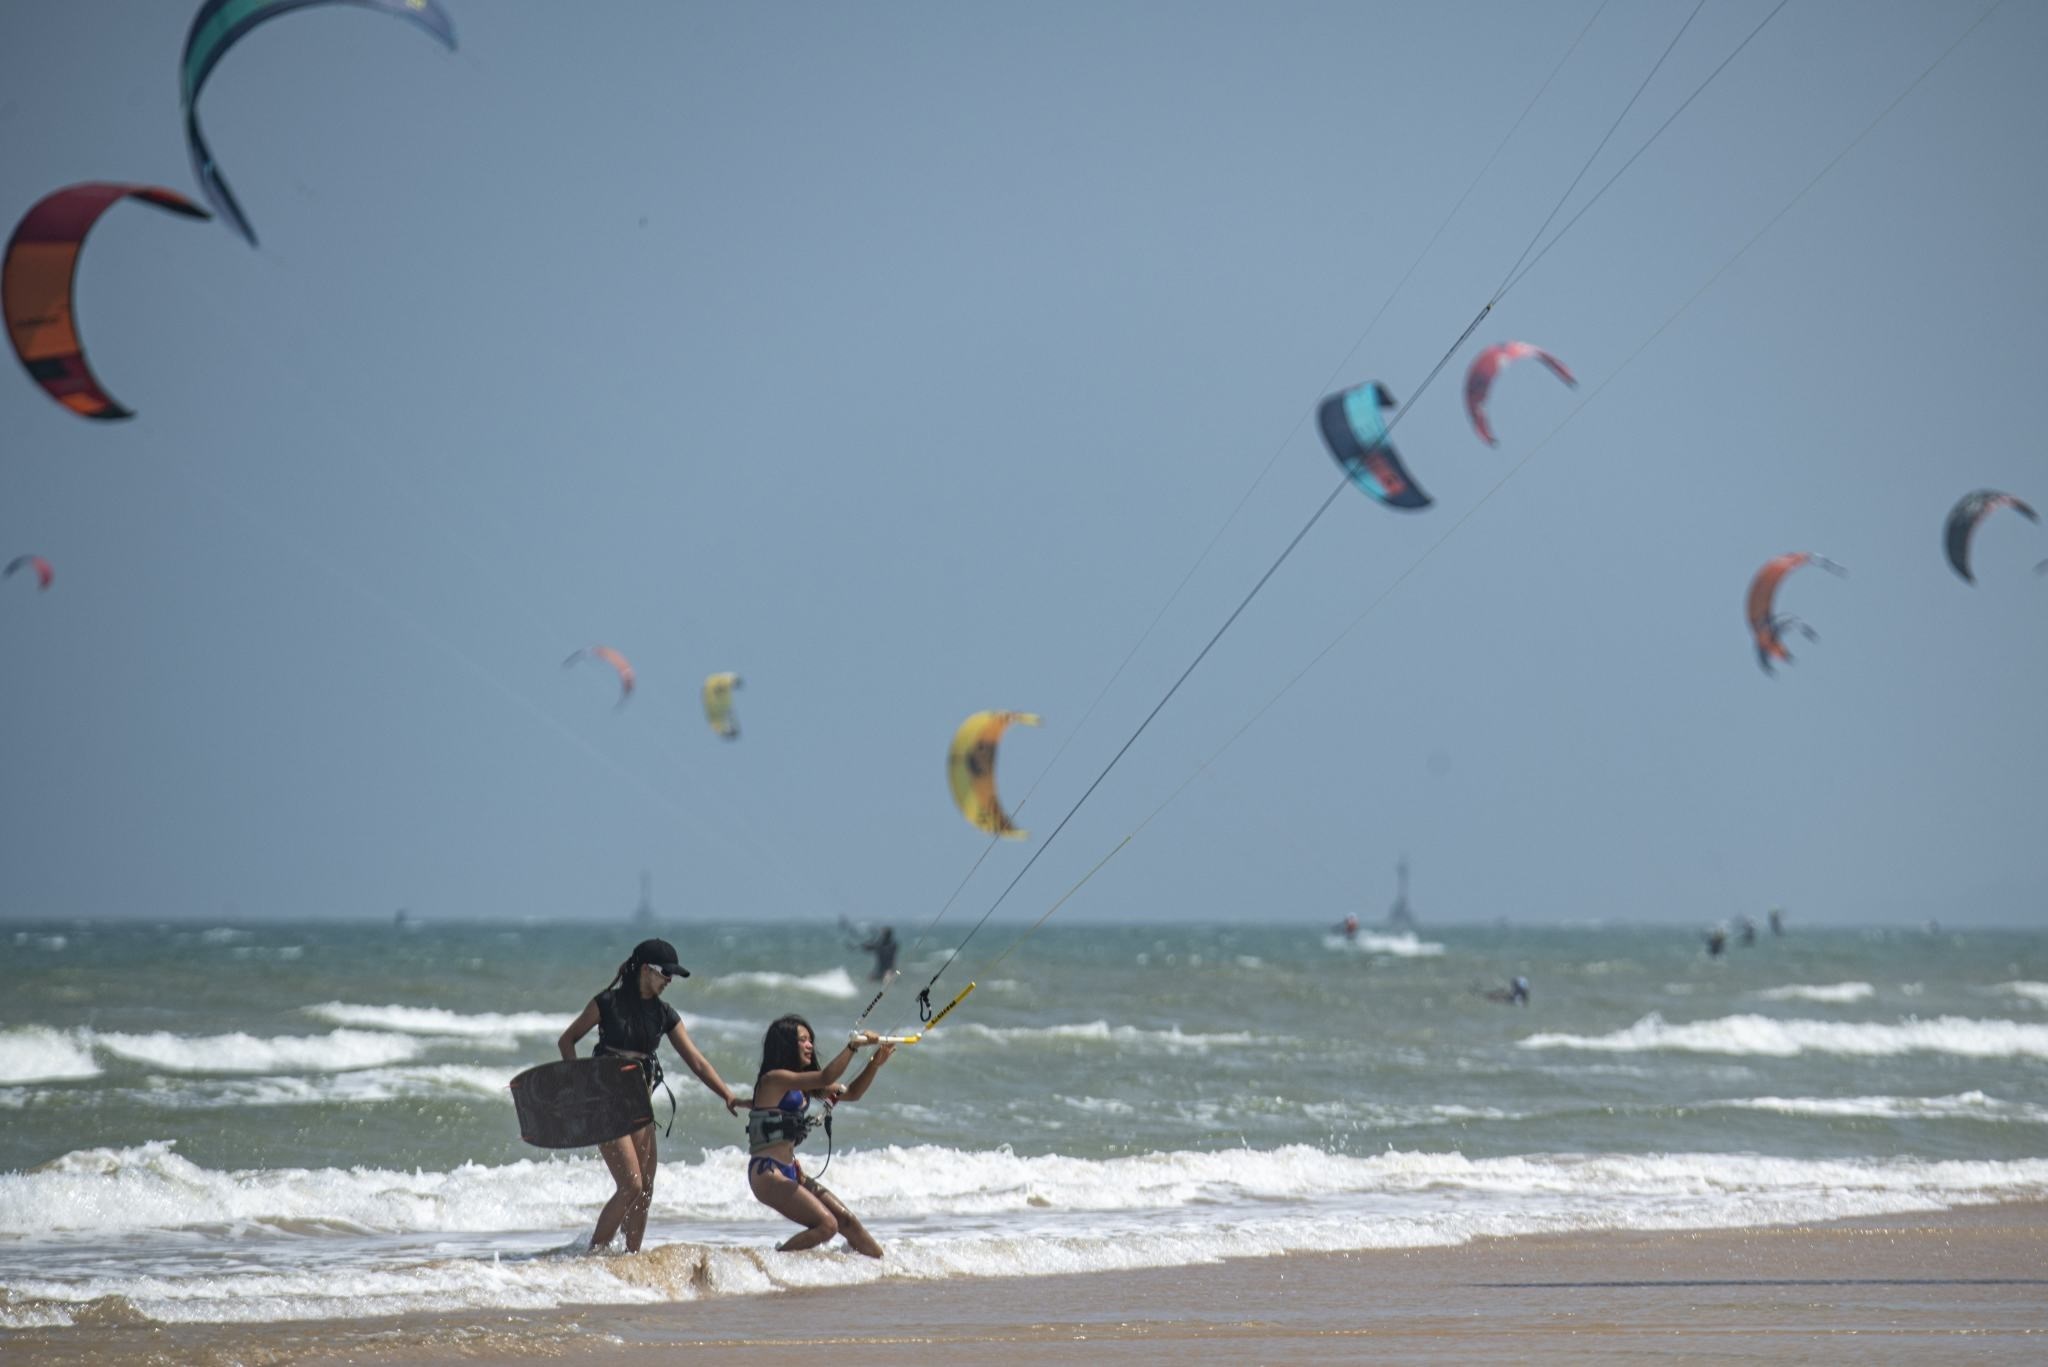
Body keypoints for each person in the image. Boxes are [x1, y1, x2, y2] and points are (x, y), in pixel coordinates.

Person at [557, 937, 741, 1253]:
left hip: (639, 1105)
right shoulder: (607, 1003)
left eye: (673, 975)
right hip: (605, 1102)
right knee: (631, 1185)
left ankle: (631, 1259)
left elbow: (696, 1061)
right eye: (665, 973)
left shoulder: (664, 1013)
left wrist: (727, 1094)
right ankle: (593, 1259)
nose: (670, 980)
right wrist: (580, 1086)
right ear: (646, 969)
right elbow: (567, 1040)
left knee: (644, 1191)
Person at [745, 1015, 895, 1256]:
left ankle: (884, 1266)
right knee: (827, 1225)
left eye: (810, 1040)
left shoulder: (803, 1085)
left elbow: (853, 1092)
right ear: (785, 1045)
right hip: (767, 1172)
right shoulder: (773, 1079)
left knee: (847, 1222)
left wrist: (874, 1064)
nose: (809, 1045)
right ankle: (769, 1264)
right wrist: (853, 1046)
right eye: (802, 1040)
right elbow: (826, 1077)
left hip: (791, 1171)